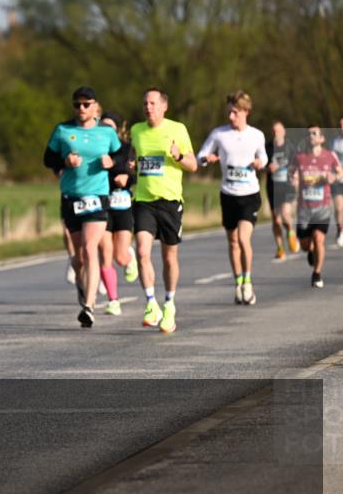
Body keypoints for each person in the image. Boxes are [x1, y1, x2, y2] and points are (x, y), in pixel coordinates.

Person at [43, 87, 121, 327]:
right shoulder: (63, 130)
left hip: (97, 196)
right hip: (71, 198)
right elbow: (48, 159)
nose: (81, 109)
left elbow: (121, 156)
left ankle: (89, 306)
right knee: (78, 257)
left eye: (86, 104)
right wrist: (64, 161)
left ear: (95, 105)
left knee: (90, 247)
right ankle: (82, 284)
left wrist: (112, 163)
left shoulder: (106, 132)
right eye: (77, 105)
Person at [129, 87, 198, 333]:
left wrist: (178, 156)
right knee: (142, 252)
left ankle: (169, 304)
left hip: (169, 202)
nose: (148, 107)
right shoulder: (136, 131)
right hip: (144, 200)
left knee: (169, 258)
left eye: (153, 103)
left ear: (164, 106)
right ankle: (151, 303)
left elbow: (193, 165)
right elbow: (132, 157)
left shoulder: (177, 129)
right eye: (145, 103)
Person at [196, 91, 267, 305]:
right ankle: (238, 283)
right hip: (228, 194)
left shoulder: (256, 135)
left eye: (235, 112)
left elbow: (263, 155)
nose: (231, 117)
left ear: (246, 111)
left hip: (250, 194)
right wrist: (207, 159)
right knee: (233, 241)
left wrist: (258, 163)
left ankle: (247, 281)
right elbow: (200, 157)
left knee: (244, 239)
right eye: (228, 112)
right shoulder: (219, 134)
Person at [291, 125, 343, 288]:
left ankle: (317, 274)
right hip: (304, 209)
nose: (311, 136)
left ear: (322, 139)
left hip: (322, 207)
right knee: (306, 244)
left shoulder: (329, 156)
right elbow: (291, 173)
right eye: (309, 134)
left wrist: (333, 177)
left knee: (319, 239)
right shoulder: (299, 157)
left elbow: (339, 172)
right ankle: (311, 252)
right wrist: (293, 179)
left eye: (314, 134)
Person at [99, 111, 139, 316]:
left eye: (110, 128)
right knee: (105, 252)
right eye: (102, 127)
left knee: (120, 257)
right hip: (103, 207)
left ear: (116, 130)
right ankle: (113, 300)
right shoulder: (96, 150)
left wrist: (126, 178)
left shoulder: (126, 150)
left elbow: (136, 176)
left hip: (122, 205)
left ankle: (129, 257)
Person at [266, 120, 299, 260]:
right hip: (273, 186)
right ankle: (280, 248)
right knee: (276, 220)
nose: (276, 134)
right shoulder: (267, 147)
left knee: (285, 213)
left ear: (284, 132)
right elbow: (261, 163)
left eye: (278, 131)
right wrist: (267, 168)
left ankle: (291, 233)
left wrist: (295, 174)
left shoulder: (290, 147)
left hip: (287, 185)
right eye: (274, 131)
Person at [331, 118, 343, 248]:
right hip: (338, 180)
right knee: (339, 207)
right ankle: (340, 229)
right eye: (340, 125)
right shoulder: (334, 142)